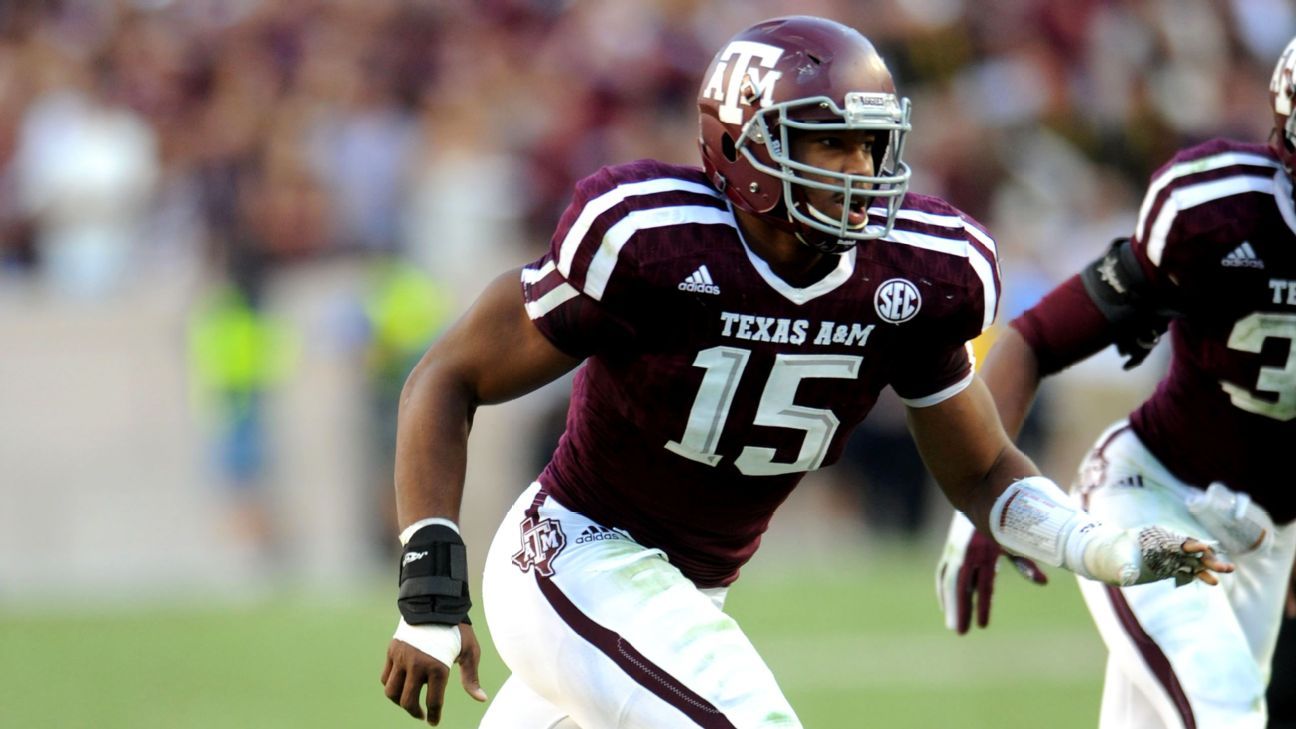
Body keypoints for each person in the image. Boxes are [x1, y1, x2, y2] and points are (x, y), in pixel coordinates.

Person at [381, 16, 1229, 728]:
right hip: (572, 556)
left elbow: (979, 466)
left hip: (686, 593)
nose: (858, 173)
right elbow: (447, 376)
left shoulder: (920, 272)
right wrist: (428, 587)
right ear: (740, 147)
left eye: (870, 146)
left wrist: (1105, 546)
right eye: (828, 146)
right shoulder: (651, 238)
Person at [936, 35, 1296, 729]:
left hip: (1267, 537)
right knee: (1224, 705)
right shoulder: (1216, 213)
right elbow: (1035, 338)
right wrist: (981, 499)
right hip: (1157, 497)